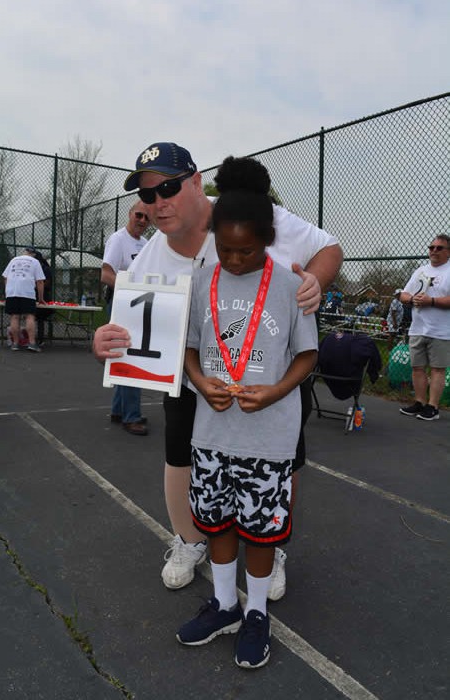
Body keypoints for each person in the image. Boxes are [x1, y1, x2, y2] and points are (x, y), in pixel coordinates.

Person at [93, 142, 343, 597]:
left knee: (282, 458)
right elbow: (129, 333)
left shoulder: (244, 209)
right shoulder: (148, 256)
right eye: (147, 194)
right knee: (180, 452)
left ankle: (271, 545)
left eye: (168, 187)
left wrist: (315, 283)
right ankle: (190, 541)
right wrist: (105, 342)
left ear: (195, 181)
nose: (158, 202)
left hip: (269, 374)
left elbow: (328, 248)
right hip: (196, 375)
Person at [175, 158, 318, 668]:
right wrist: (199, 381)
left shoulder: (290, 286)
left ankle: (256, 612)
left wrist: (276, 391)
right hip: (212, 434)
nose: (235, 260)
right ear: (213, 238)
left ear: (268, 240)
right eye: (226, 249)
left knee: (262, 531)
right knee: (217, 524)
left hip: (268, 439)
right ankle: (224, 605)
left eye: (247, 251)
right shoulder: (203, 281)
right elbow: (190, 348)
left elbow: (307, 355)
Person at [101, 201, 150, 436]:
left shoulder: (146, 244)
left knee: (126, 355)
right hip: (123, 303)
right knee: (133, 357)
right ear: (130, 214)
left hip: (139, 304)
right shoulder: (118, 239)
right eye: (138, 215)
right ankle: (132, 417)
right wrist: (130, 291)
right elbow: (106, 274)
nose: (142, 220)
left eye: (147, 218)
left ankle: (119, 410)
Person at [399, 234, 450, 421]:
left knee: (437, 369)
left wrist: (432, 301)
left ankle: (432, 407)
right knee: (417, 368)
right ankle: (419, 402)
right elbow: (404, 294)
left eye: (439, 248)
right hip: (418, 328)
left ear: (448, 252)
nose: (434, 250)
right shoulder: (420, 271)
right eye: (431, 247)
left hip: (441, 330)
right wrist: (412, 299)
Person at [2, 246, 46, 352]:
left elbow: (5, 277)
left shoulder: (13, 260)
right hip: (27, 292)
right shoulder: (35, 262)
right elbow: (40, 281)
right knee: (29, 316)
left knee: (14, 317)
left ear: (24, 252)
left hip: (12, 292)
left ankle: (15, 344)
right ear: (33, 254)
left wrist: (8, 292)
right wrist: (41, 298)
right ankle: (32, 343)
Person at [33, 250, 54, 346]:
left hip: (44, 297)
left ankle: (40, 339)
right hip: (32, 296)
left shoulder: (45, 269)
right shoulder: (32, 268)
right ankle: (30, 338)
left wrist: (37, 285)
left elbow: (47, 283)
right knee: (31, 316)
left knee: (40, 317)